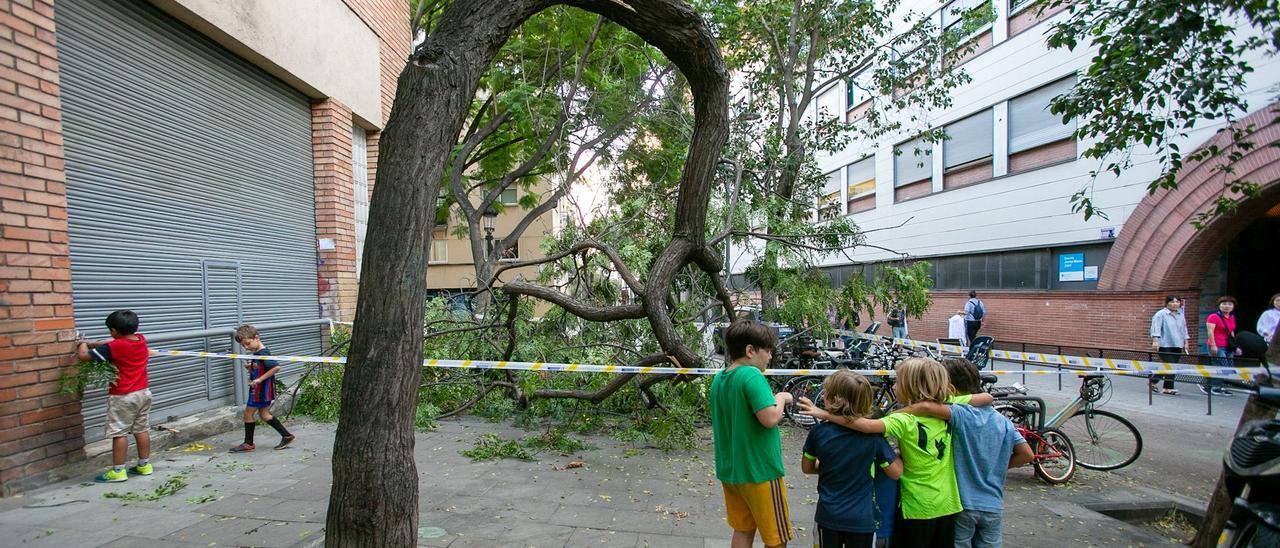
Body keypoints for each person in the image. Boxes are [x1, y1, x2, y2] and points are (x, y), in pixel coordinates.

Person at [799, 358, 992, 547]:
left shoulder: (902, 420)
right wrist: (924, 406)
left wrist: (825, 414)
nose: (896, 386)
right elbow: (987, 398)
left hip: (917, 505)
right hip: (948, 504)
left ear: (911, 387)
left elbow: (866, 426)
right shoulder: (946, 406)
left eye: (899, 382)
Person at [901, 358, 1034, 548]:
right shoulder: (1003, 421)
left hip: (962, 502)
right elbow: (1027, 454)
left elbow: (929, 407)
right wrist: (997, 465)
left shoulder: (960, 414)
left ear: (951, 390)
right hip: (993, 505)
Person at [710, 320, 795, 548]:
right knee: (776, 538)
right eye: (767, 351)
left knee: (743, 530)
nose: (770, 357)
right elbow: (770, 418)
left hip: (732, 471)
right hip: (760, 472)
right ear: (750, 351)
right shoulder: (752, 375)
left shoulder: (720, 379)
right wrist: (782, 398)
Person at [800, 370, 903, 548]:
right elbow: (895, 473)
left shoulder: (818, 433)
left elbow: (807, 467)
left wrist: (831, 466)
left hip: (828, 516)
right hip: (862, 519)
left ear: (831, 399)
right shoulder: (873, 437)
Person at [76, 310, 152, 483]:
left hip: (123, 396)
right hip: (143, 393)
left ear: (114, 331)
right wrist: (94, 344)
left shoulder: (115, 347)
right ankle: (144, 465)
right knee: (142, 428)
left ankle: (118, 471)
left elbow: (83, 357)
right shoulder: (141, 339)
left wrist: (81, 343)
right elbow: (109, 344)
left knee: (119, 432)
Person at [229, 324, 296, 452]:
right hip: (264, 390)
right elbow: (262, 367)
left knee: (248, 414)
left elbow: (276, 367)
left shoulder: (264, 353)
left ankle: (248, 443)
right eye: (243, 345)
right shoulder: (257, 353)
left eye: (248, 343)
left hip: (260, 391)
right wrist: (251, 367)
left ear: (257, 338)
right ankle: (287, 435)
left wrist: (259, 379)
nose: (246, 347)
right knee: (264, 414)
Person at [1148, 295, 1188, 395]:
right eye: (1172, 302)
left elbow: (1184, 329)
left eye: (1177, 302)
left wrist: (1186, 342)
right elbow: (1156, 328)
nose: (1175, 304)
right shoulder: (1161, 314)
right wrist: (1155, 341)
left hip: (1177, 343)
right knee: (1170, 365)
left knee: (1171, 366)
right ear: (1167, 303)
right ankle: (1163, 386)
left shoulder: (1181, 314)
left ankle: (1162, 385)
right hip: (1164, 344)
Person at [1204, 296, 1238, 397]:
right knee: (1221, 365)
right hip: (1217, 345)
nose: (1226, 306)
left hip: (1228, 346)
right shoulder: (1213, 316)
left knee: (1229, 366)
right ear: (1219, 305)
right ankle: (1214, 387)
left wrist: (1234, 345)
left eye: (1229, 304)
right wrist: (1213, 345)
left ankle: (1220, 386)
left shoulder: (1231, 317)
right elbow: (1210, 332)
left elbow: (1231, 330)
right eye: (1224, 304)